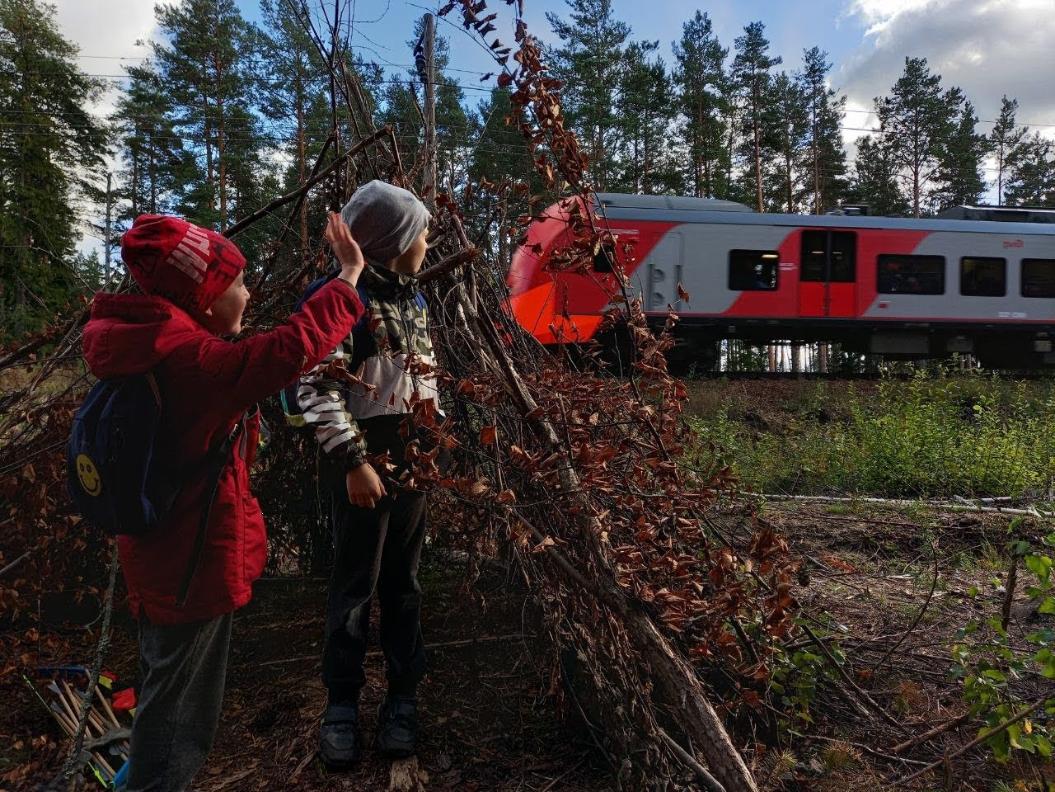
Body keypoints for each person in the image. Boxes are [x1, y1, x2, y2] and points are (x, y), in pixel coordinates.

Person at [82, 212, 367, 792]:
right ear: (205, 297)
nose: (248, 291)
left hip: (162, 552)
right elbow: (286, 351)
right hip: (192, 563)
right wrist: (349, 275)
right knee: (182, 710)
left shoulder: (151, 344)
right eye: (237, 282)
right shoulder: (194, 361)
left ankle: (141, 772)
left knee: (166, 679)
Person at [297, 180, 438, 767]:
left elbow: (422, 379)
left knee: (403, 584)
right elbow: (313, 389)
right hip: (360, 466)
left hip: (412, 461)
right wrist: (354, 463)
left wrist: (435, 445)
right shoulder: (341, 301)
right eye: (420, 232)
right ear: (393, 241)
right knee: (354, 585)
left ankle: (403, 698)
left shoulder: (414, 301)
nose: (428, 241)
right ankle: (342, 705)